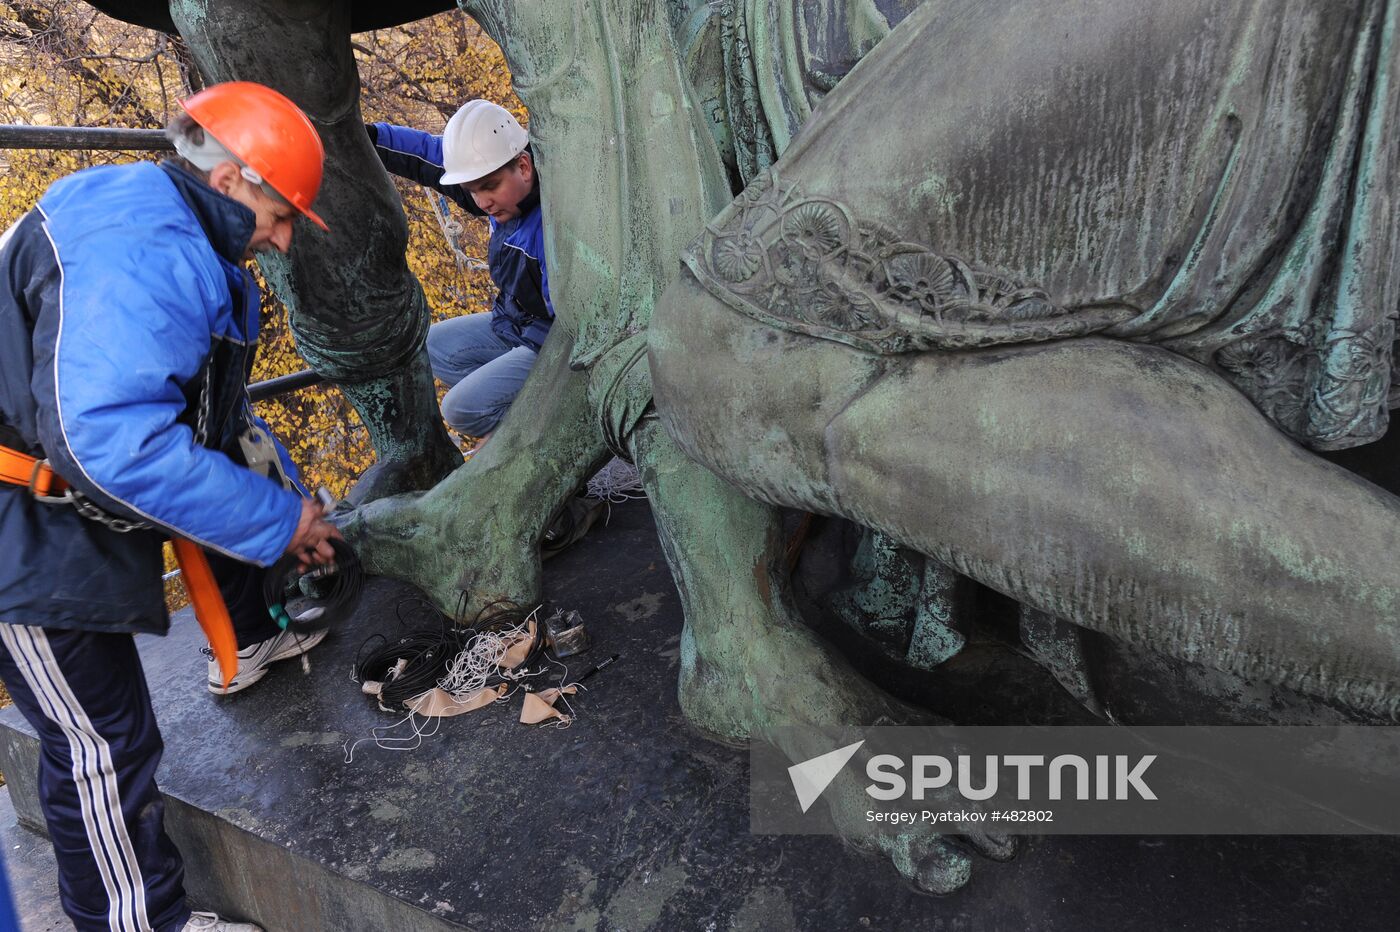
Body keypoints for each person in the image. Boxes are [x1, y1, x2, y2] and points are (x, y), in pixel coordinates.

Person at [0, 81, 341, 932]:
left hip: (46, 511)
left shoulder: (162, 226)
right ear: (233, 182)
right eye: (282, 213)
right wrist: (278, 521)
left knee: (111, 735)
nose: (283, 237)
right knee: (98, 748)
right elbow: (112, 446)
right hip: (18, 527)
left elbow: (210, 419)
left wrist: (285, 511)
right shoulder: (145, 251)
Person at [368, 99, 553, 443]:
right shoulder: (503, 191)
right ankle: (531, 422)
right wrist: (368, 138)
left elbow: (569, 327)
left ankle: (544, 436)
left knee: (460, 409)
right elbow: (428, 156)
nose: (482, 202)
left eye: (488, 187)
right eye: (473, 190)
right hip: (514, 323)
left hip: (551, 343)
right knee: (433, 346)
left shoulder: (553, 226)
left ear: (524, 167)